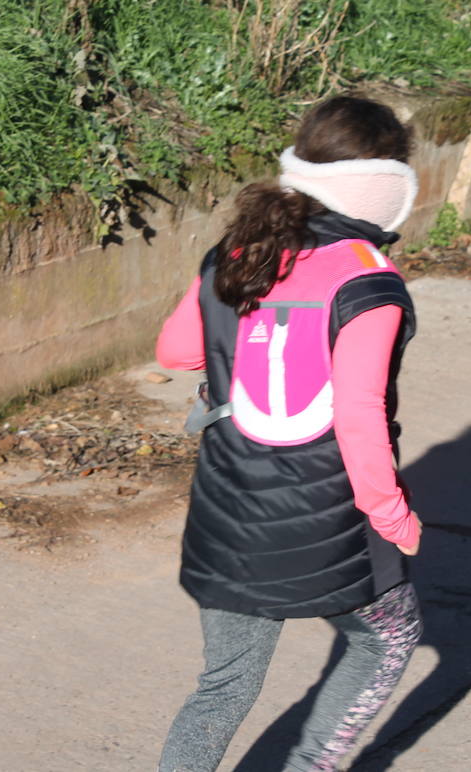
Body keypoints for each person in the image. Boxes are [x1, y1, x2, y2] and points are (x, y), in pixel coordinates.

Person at [156, 96, 424, 771]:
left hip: (229, 505)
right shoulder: (368, 280)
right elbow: (359, 415)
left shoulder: (238, 251)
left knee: (223, 686)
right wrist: (393, 517)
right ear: (384, 182)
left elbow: (176, 352)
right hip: (325, 515)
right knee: (385, 639)